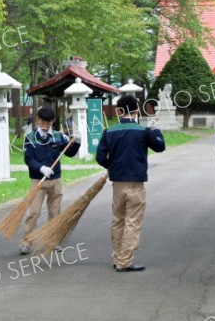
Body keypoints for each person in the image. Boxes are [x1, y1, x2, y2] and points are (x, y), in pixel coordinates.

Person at [96, 95, 165, 272]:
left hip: (117, 183)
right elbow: (160, 147)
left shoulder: (109, 132)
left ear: (118, 111)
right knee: (132, 221)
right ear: (136, 111)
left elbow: (100, 157)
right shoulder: (142, 131)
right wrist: (155, 130)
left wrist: (112, 166)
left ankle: (117, 256)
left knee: (117, 220)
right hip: (135, 182)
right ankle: (124, 261)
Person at [20, 106, 81, 255]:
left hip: (55, 180)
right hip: (38, 180)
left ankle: (52, 241)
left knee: (55, 212)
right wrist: (41, 168)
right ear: (38, 120)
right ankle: (27, 242)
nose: (45, 126)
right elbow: (28, 159)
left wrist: (77, 142)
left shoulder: (58, 136)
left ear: (52, 121)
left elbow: (70, 153)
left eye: (47, 123)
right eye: (42, 122)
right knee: (33, 212)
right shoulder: (31, 137)